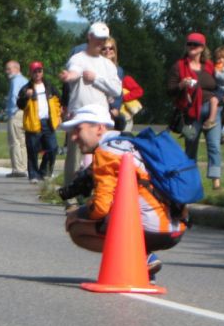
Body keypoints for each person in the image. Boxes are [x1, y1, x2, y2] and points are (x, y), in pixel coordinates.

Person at [62, 104, 186, 283]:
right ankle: (144, 268)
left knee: (76, 227)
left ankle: (141, 260)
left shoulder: (107, 152)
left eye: (78, 129)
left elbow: (101, 208)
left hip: (154, 227)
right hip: (177, 226)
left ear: (100, 128)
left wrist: (77, 212)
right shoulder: (129, 143)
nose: (73, 137)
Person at [59, 22, 121, 198]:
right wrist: (69, 76)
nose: (101, 43)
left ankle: (99, 194)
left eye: (103, 40)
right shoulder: (78, 58)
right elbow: (75, 71)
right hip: (80, 114)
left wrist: (96, 79)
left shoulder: (108, 65)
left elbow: (116, 89)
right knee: (74, 154)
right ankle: (70, 195)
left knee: (101, 157)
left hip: (100, 117)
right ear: (89, 37)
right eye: (98, 39)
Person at [167, 32, 221, 190]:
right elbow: (170, 91)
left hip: (212, 110)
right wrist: (181, 86)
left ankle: (215, 180)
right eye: (189, 44)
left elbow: (219, 86)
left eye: (195, 45)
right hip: (189, 113)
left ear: (202, 48)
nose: (191, 47)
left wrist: (218, 99)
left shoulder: (210, 66)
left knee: (214, 145)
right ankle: (190, 180)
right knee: (190, 146)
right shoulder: (179, 66)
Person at [16, 61, 61, 183]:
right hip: (33, 122)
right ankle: (34, 175)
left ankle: (45, 172)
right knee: (33, 150)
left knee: (53, 148)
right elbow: (20, 105)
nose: (37, 73)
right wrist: (26, 96)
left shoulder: (49, 86)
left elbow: (58, 100)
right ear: (30, 73)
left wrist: (59, 115)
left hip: (48, 122)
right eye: (34, 71)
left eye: (39, 71)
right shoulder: (26, 88)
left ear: (42, 72)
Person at [101, 38, 144, 133]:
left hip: (120, 116)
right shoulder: (96, 70)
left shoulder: (121, 73)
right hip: (102, 114)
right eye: (104, 48)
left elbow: (139, 91)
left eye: (111, 48)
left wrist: (122, 98)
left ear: (115, 51)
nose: (108, 50)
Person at [4, 60, 29, 177]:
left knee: (15, 142)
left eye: (9, 69)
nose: (7, 71)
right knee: (23, 142)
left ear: (16, 68)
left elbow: (14, 97)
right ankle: (23, 166)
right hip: (25, 113)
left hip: (16, 113)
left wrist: (11, 112)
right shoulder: (26, 80)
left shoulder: (15, 81)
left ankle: (18, 169)